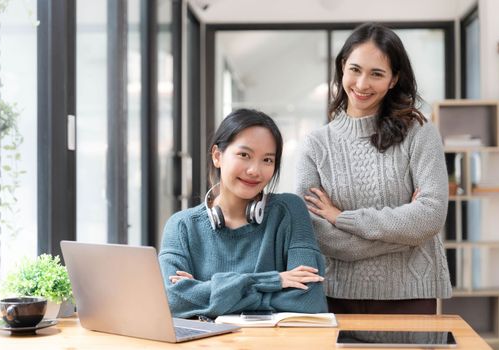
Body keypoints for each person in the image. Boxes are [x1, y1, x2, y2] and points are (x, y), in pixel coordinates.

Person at [296, 23, 452, 314]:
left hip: (410, 296)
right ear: (343, 67)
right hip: (335, 297)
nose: (362, 83)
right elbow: (316, 233)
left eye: (377, 73)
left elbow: (430, 217)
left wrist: (343, 218)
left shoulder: (419, 133)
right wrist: (403, 238)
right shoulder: (315, 145)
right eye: (355, 69)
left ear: (393, 79)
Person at [159, 108, 328, 318]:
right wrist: (274, 281)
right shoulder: (181, 226)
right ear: (217, 156)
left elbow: (308, 301)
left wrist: (207, 289)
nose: (254, 170)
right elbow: (173, 301)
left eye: (267, 160)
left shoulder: (289, 211)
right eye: (244, 155)